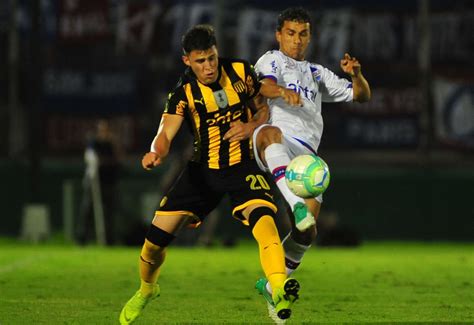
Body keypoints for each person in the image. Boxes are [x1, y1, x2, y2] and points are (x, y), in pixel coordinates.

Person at [119, 25, 301, 324]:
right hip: (202, 173)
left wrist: (251, 126)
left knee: (266, 225)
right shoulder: (183, 94)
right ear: (187, 61)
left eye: (212, 58)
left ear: (218, 52)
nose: (209, 67)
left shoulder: (241, 72)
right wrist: (156, 153)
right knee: (152, 246)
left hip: (243, 167)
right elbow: (165, 132)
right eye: (201, 61)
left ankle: (279, 288)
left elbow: (263, 110)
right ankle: (147, 289)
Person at [245, 7, 371, 320]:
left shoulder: (317, 74)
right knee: (271, 131)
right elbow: (261, 86)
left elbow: (361, 96)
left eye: (302, 34)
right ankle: (292, 201)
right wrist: (281, 91)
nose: (297, 40)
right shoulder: (271, 59)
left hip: (306, 158)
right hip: (273, 141)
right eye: (290, 33)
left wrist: (356, 75)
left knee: (307, 232)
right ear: (279, 35)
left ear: (310, 36)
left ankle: (276, 291)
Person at [76, 119, 121, 246]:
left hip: (109, 182)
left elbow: (118, 158)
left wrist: (114, 145)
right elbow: (91, 158)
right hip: (94, 183)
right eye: (102, 130)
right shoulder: (93, 143)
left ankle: (109, 240)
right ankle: (82, 239)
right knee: (88, 210)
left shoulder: (112, 144)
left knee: (109, 212)